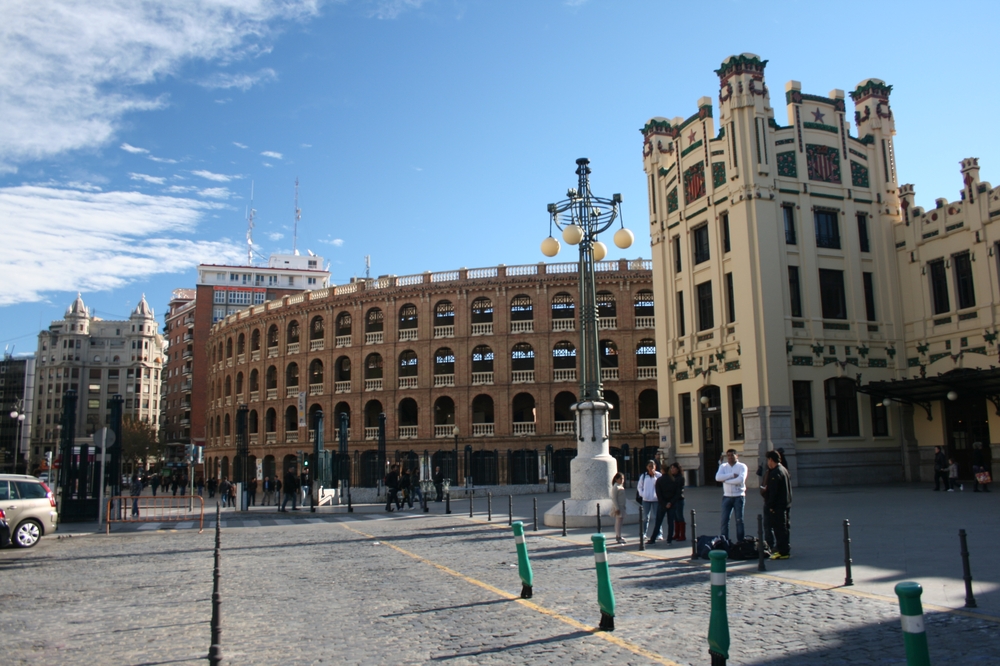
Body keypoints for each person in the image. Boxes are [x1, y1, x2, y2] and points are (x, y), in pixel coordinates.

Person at [764, 450, 792, 559]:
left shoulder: (776, 472)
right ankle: (785, 548)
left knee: (779, 528)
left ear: (771, 460)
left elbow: (774, 491)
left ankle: (782, 551)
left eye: (768, 460)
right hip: (786, 503)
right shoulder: (783, 469)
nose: (767, 462)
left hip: (778, 506)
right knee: (785, 527)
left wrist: (770, 506)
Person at [716, 449, 747, 543]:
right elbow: (718, 478)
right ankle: (725, 541)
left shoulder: (742, 466)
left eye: (732, 455)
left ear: (736, 456)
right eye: (728, 455)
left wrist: (726, 481)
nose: (730, 457)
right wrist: (732, 475)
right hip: (727, 496)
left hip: (739, 496)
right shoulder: (723, 466)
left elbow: (740, 480)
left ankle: (740, 541)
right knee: (724, 521)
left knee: (739, 520)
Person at [650, 464, 682, 545]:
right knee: (670, 522)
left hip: (662, 504)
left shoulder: (659, 480)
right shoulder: (673, 480)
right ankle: (669, 539)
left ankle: (653, 539)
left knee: (658, 522)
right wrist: (671, 502)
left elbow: (659, 494)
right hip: (672, 504)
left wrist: (664, 503)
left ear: (662, 471)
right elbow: (677, 493)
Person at [637, 460, 662, 543]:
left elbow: (661, 485)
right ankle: (643, 533)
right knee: (645, 517)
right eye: (649, 466)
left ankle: (659, 533)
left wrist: (654, 476)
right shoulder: (644, 476)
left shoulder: (658, 475)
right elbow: (639, 487)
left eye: (653, 466)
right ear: (647, 467)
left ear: (655, 467)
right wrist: (643, 494)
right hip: (646, 499)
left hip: (656, 499)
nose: (651, 468)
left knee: (657, 517)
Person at [668, 462, 686, 542]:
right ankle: (676, 534)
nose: (672, 469)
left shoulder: (680, 478)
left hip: (679, 500)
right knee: (675, 517)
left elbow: (678, 490)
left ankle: (682, 535)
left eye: (674, 468)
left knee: (679, 516)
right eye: (671, 468)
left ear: (678, 469)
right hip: (673, 500)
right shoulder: (672, 477)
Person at [610, 472, 627, 545]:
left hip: (622, 506)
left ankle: (619, 535)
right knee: (618, 522)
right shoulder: (615, 487)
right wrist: (617, 508)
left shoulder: (621, 486)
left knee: (620, 521)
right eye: (620, 478)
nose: (622, 480)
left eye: (623, 478)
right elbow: (614, 498)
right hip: (618, 506)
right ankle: (618, 536)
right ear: (616, 479)